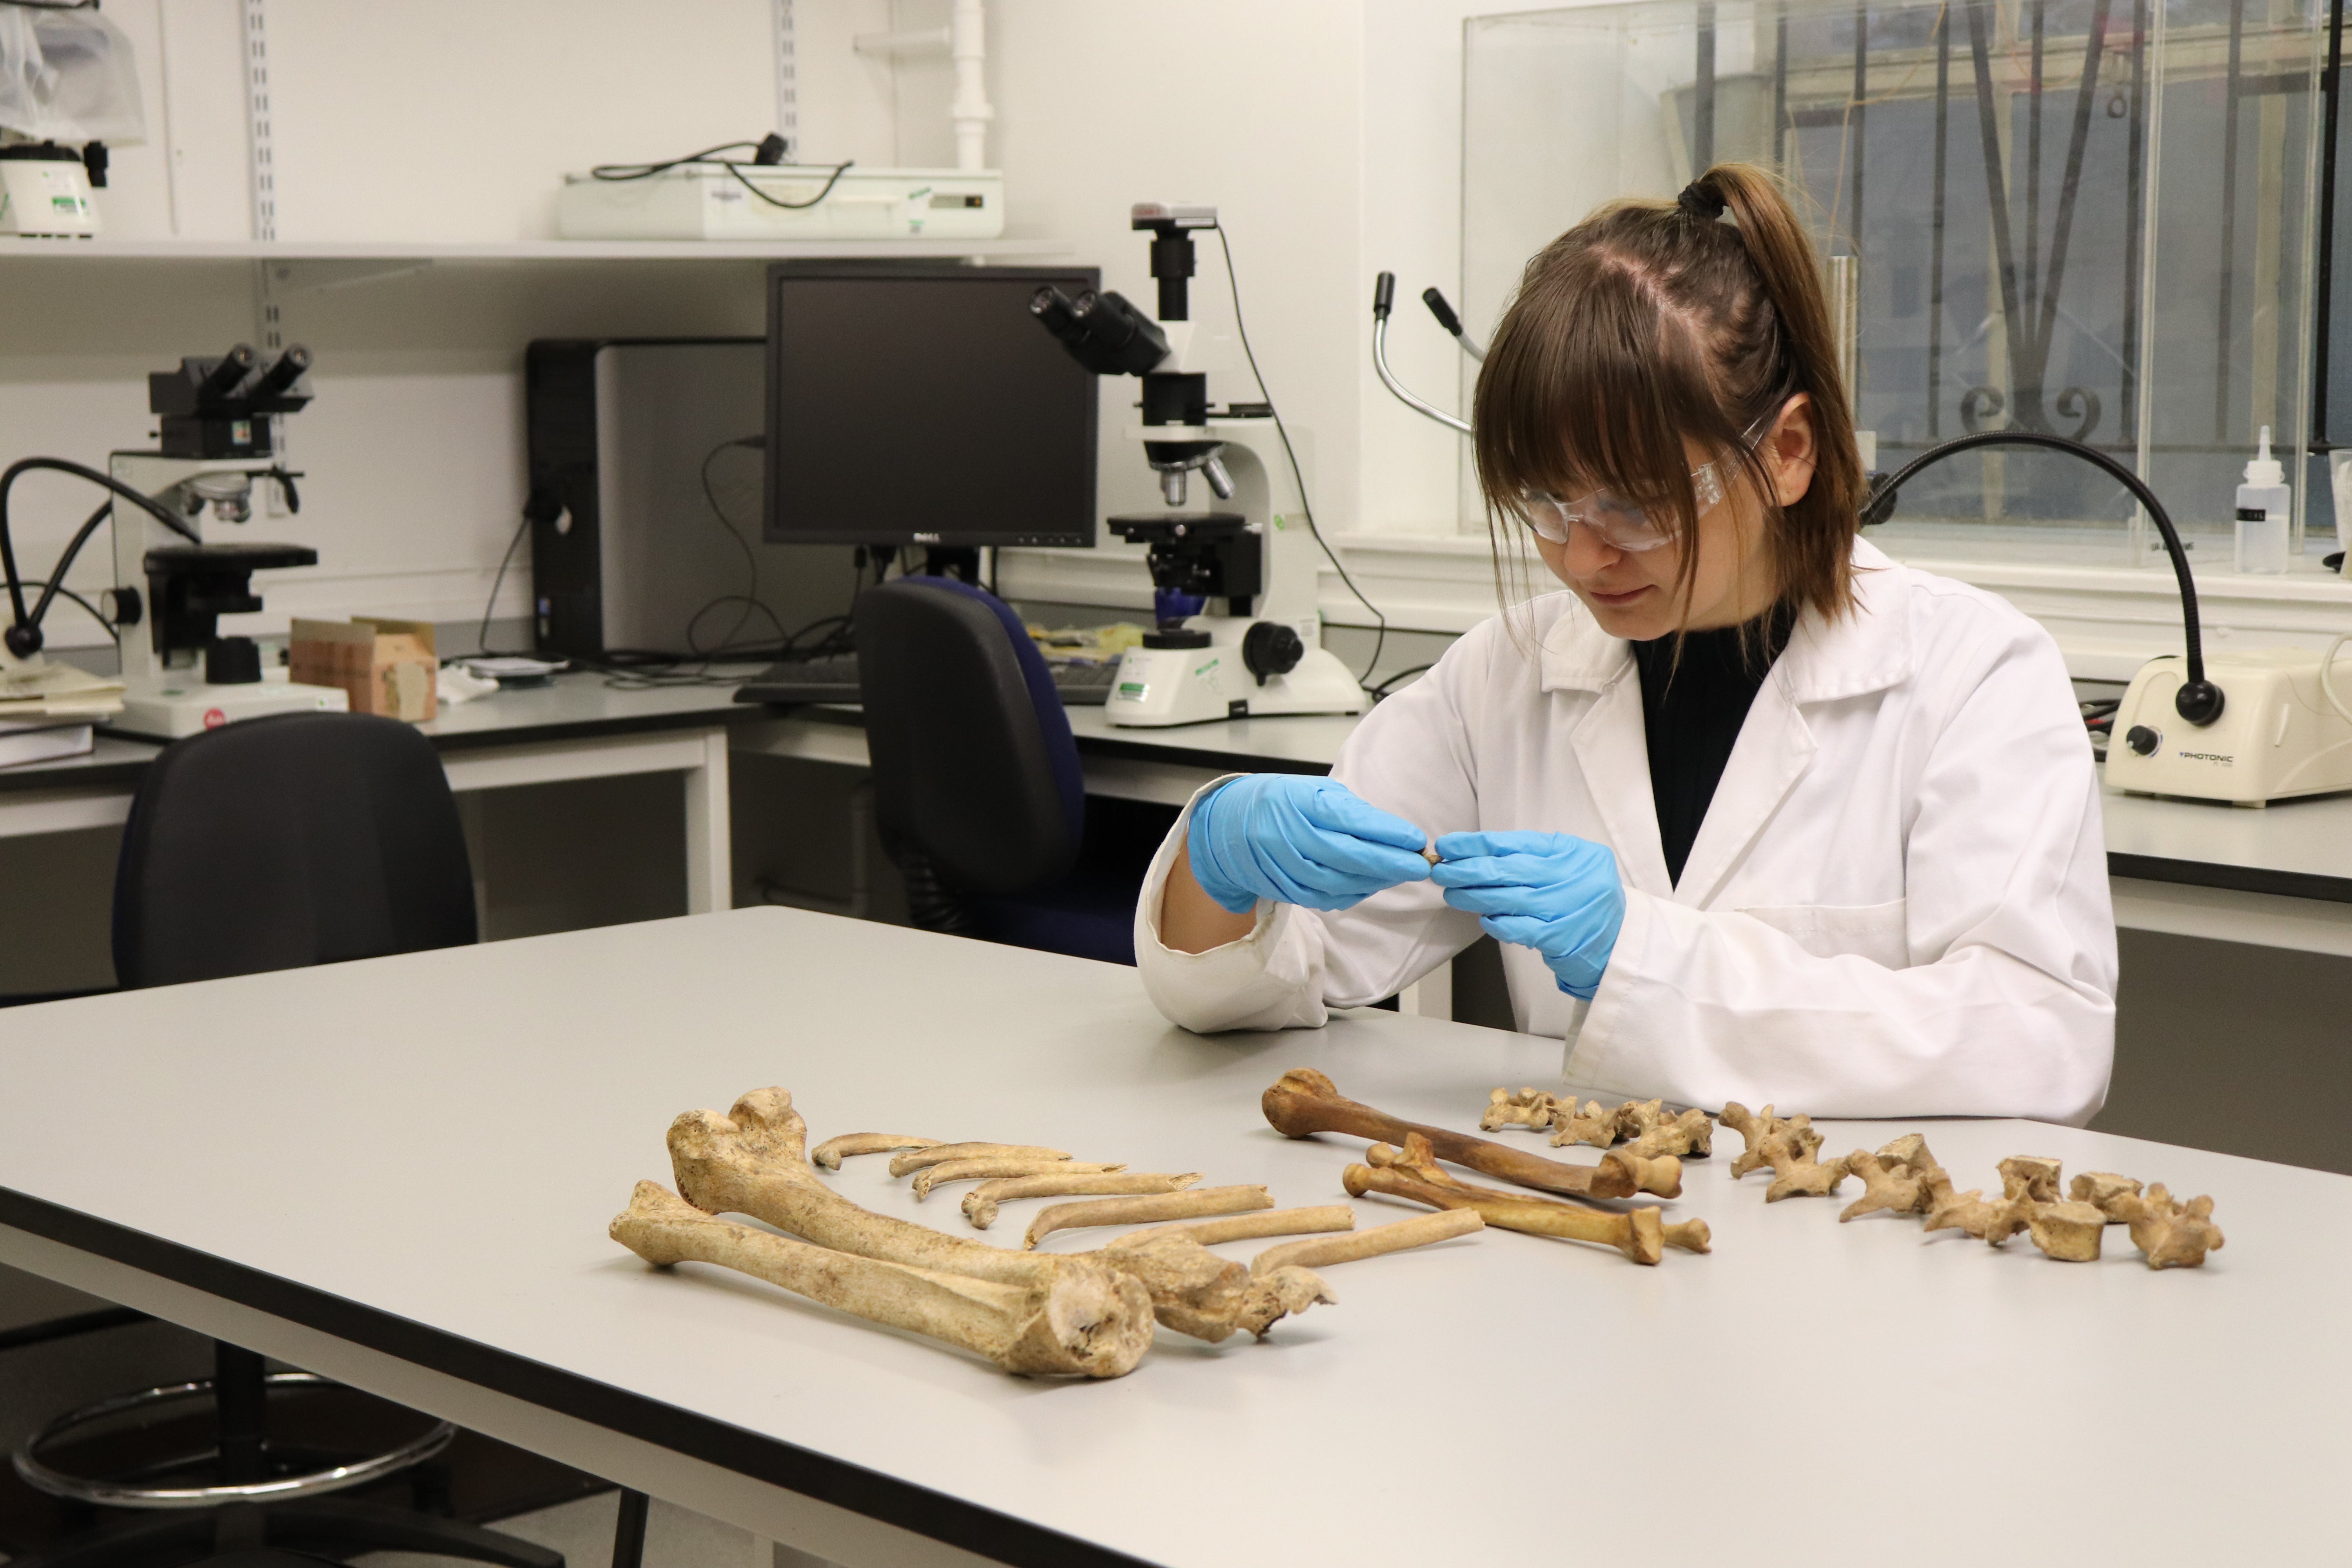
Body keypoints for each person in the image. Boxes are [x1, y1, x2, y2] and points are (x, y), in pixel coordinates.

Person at [1132, 163, 2116, 1124]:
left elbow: (2041, 1036)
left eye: (1636, 505)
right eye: (1544, 504)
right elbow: (1276, 974)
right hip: (1594, 1233)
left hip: (1861, 1239)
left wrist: (1642, 956)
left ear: (1787, 451)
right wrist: (1224, 862)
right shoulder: (1505, 675)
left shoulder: (1973, 674)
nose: (1582, 554)